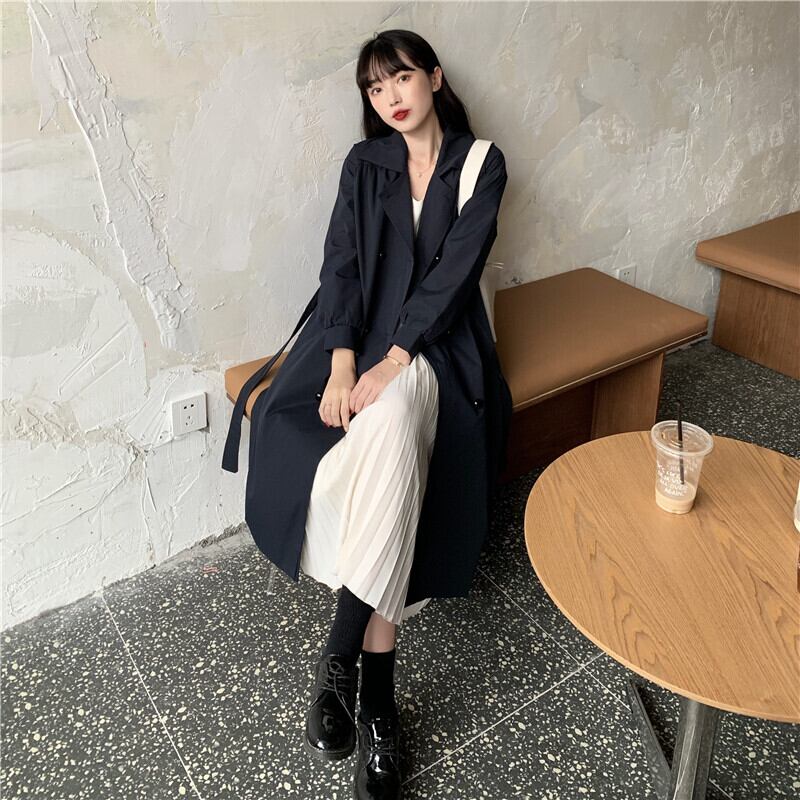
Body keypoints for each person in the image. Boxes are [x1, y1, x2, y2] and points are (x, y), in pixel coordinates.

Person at [222, 28, 511, 800]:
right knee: (388, 440)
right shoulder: (364, 164)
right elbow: (341, 264)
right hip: (360, 343)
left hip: (439, 348)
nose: (390, 97)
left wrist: (394, 358)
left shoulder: (480, 164)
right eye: (375, 88)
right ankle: (377, 701)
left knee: (395, 412)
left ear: (435, 78)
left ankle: (340, 662)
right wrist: (346, 360)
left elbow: (455, 275)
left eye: (401, 78)